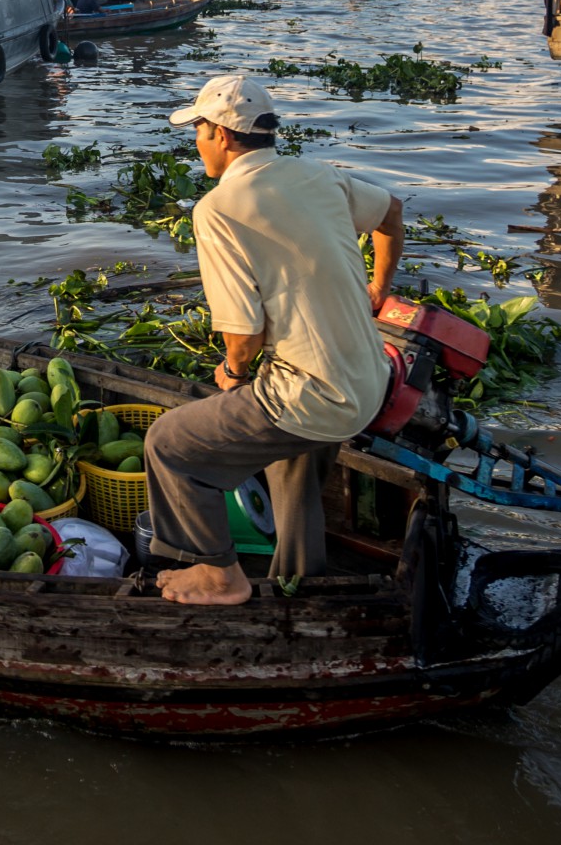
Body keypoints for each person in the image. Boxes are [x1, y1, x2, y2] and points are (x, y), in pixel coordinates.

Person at [144, 74, 405, 605]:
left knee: (169, 444)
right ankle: (300, 578)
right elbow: (392, 213)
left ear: (221, 134)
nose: (196, 140)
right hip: (369, 381)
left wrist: (234, 375)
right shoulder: (320, 176)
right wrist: (378, 289)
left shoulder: (217, 209)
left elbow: (244, 334)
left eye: (198, 128)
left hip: (313, 395)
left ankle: (220, 574)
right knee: (292, 461)